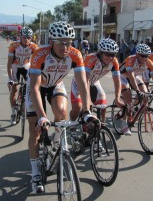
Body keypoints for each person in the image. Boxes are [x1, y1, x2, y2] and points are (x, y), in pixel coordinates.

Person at [26, 21, 100, 194]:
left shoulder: (75, 55)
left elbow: (83, 84)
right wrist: (42, 116)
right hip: (37, 88)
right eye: (60, 42)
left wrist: (87, 111)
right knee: (35, 129)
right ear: (51, 41)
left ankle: (57, 145)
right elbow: (35, 88)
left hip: (55, 85)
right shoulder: (39, 54)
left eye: (68, 42)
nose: (65, 47)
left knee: (61, 113)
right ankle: (36, 173)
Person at [70, 38, 124, 124]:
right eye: (107, 54)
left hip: (94, 82)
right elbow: (85, 81)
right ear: (100, 53)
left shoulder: (114, 62)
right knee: (78, 107)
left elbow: (117, 81)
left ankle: (101, 126)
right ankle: (72, 125)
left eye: (113, 55)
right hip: (80, 82)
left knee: (103, 106)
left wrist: (117, 98)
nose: (110, 58)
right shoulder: (91, 59)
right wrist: (88, 101)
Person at [119, 44, 153, 135]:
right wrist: (137, 91)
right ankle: (124, 124)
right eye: (142, 56)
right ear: (137, 55)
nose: (145, 58)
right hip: (123, 76)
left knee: (145, 94)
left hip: (135, 76)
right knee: (129, 102)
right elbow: (130, 76)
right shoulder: (131, 59)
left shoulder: (149, 62)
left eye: (147, 56)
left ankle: (134, 109)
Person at [7, 27, 38, 125]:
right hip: (15, 66)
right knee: (14, 88)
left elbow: (37, 63)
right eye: (24, 37)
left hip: (26, 66)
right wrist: (10, 78)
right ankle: (13, 112)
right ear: (20, 37)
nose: (26, 40)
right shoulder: (13, 46)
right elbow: (9, 64)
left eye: (29, 37)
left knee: (31, 86)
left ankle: (28, 106)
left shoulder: (34, 47)